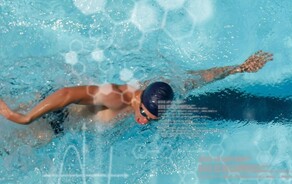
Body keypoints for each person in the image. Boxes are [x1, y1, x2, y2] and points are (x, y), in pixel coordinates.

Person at [0, 51, 273, 137]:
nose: (143, 121)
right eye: (144, 114)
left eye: (151, 119)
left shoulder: (165, 89)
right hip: (53, 118)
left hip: (70, 124)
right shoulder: (116, 97)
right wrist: (23, 117)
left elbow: (201, 77)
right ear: (139, 99)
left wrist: (239, 68)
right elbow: (67, 93)